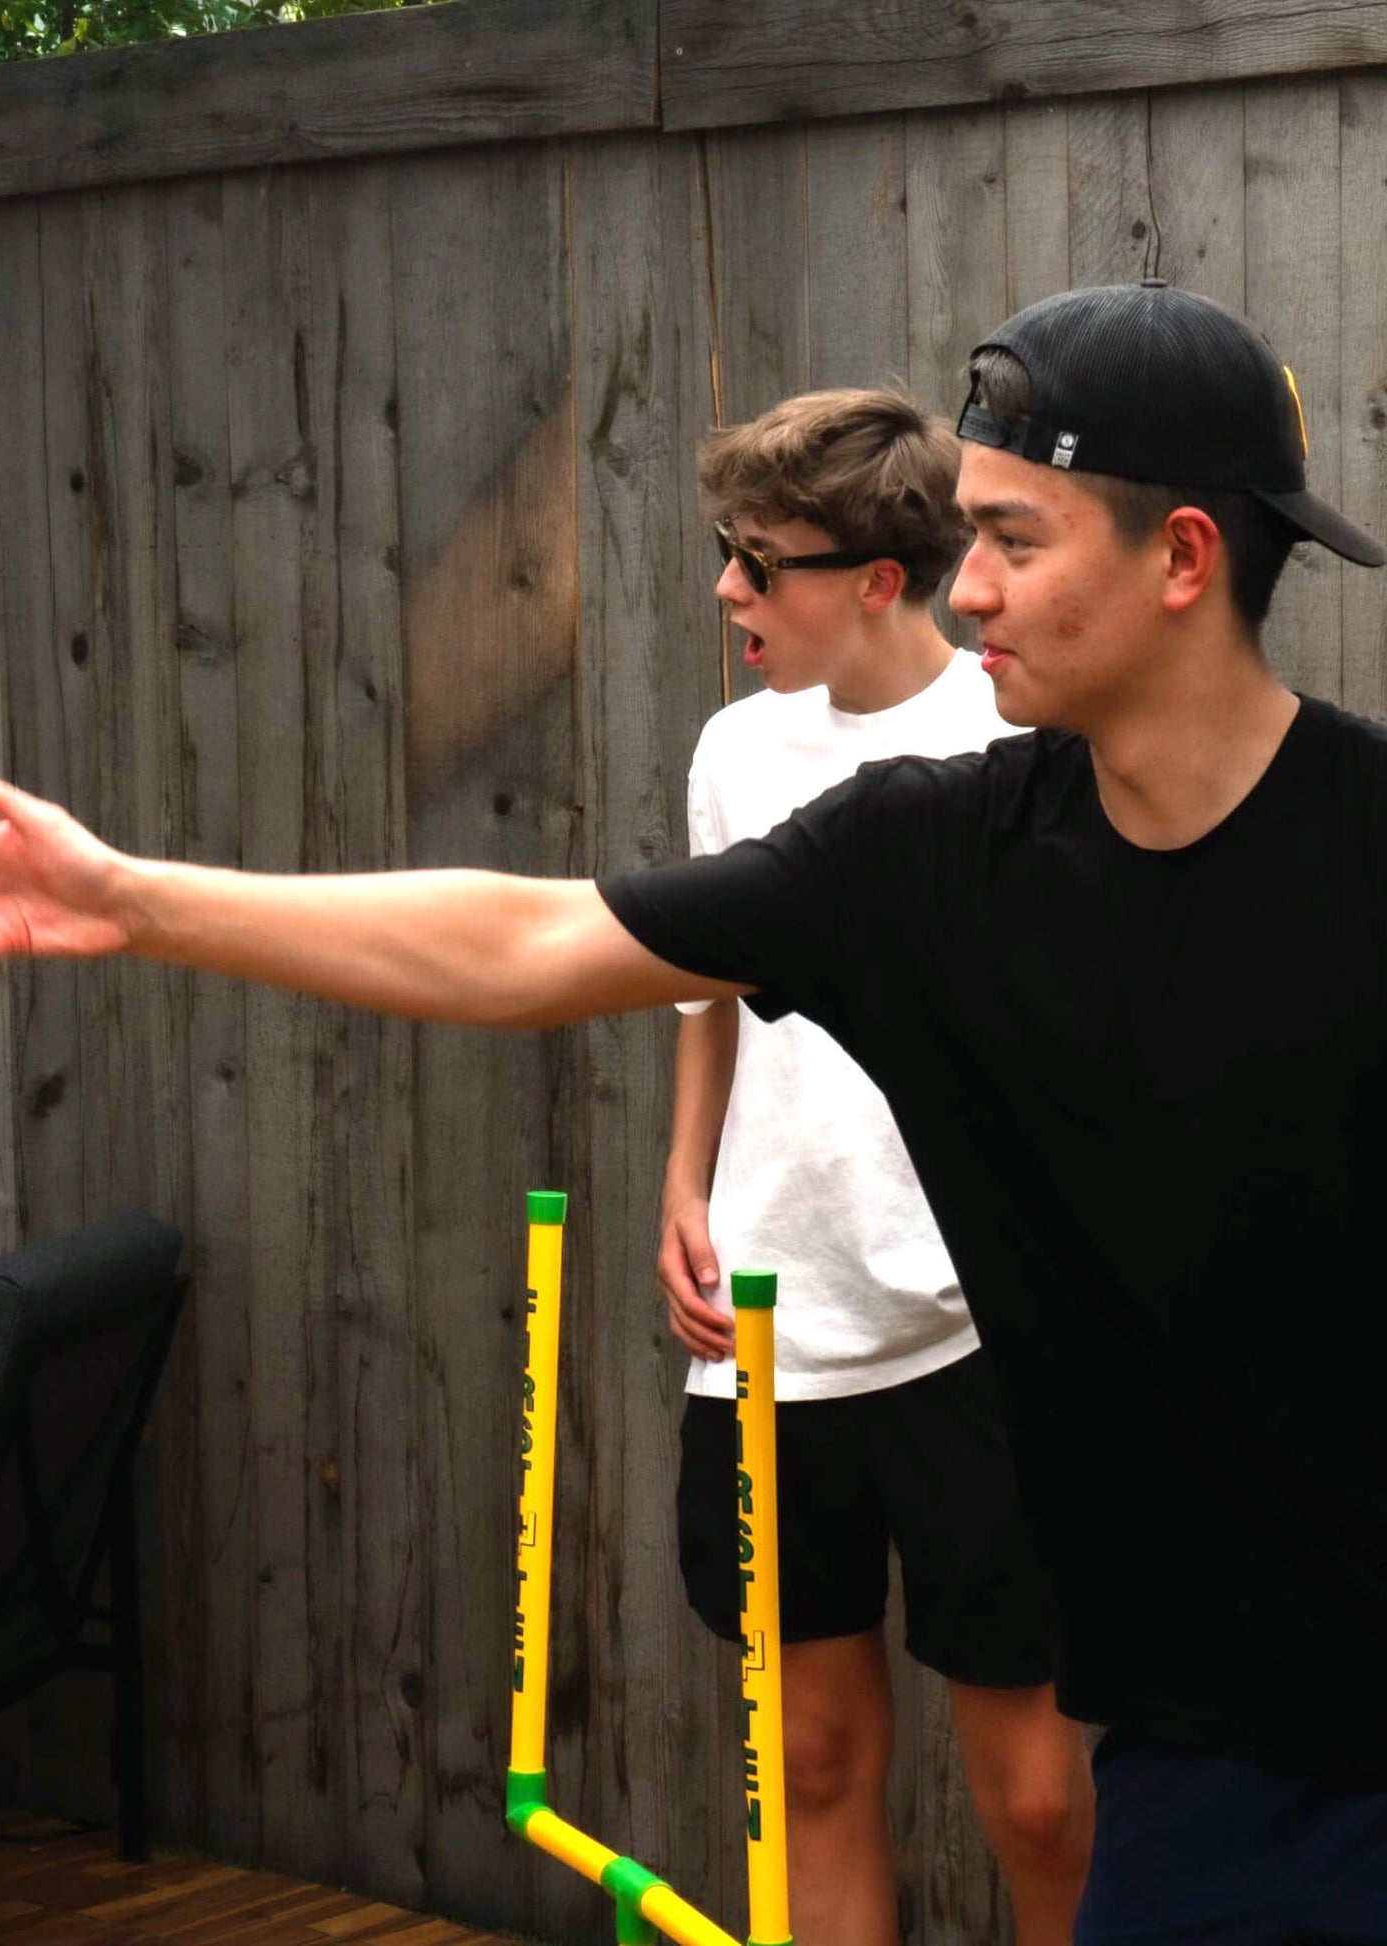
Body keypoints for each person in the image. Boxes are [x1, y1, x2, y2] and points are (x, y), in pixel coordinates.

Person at [0, 282, 1387, 1944]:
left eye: (1015, 539)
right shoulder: (926, 863)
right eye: (966, 536)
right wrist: (141, 901)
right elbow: (529, 936)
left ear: (1179, 558)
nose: (969, 586)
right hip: (1226, 1764)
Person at [662, 388, 1090, 1946]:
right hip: (768, 1336)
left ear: (874, 579)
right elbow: (702, 988)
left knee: (1035, 1789)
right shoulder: (732, 752)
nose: (726, 592)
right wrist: (681, 1184)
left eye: (755, 562)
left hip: (976, 1334)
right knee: (815, 1752)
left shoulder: (1014, 736)